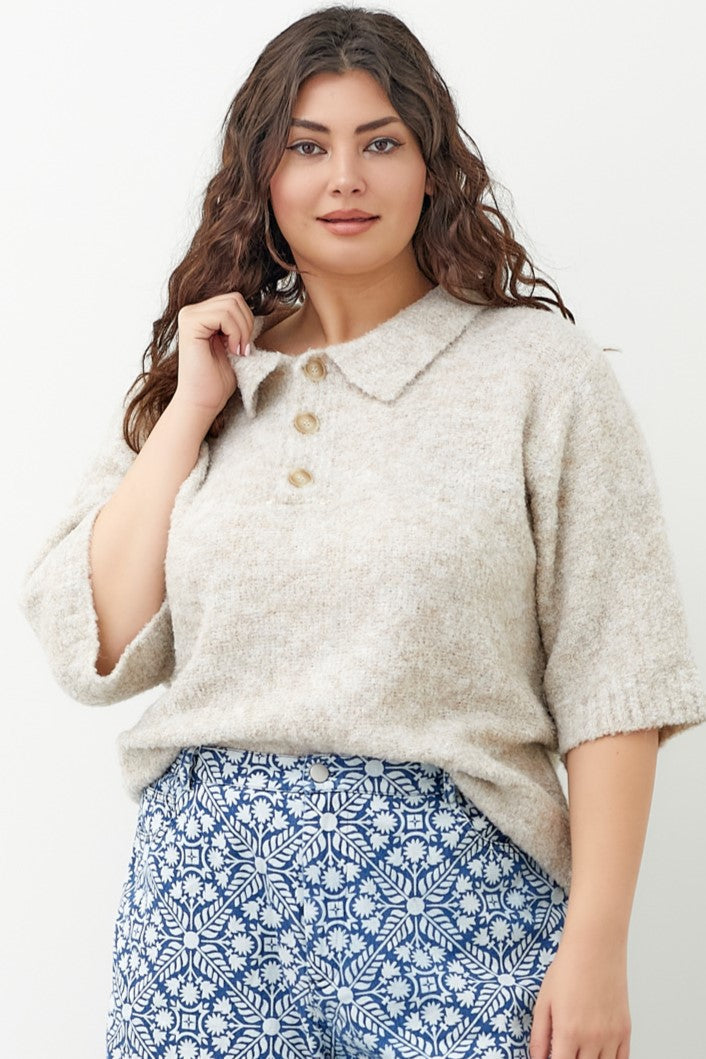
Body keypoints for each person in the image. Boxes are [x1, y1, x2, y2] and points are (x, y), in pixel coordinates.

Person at [17, 6, 706, 1059]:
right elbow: (95, 645)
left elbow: (615, 674)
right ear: (262, 176)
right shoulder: (202, 381)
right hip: (205, 903)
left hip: (457, 891)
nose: (345, 179)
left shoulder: (536, 374)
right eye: (307, 147)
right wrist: (192, 409)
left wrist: (598, 942)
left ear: (431, 169)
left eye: (380, 143)